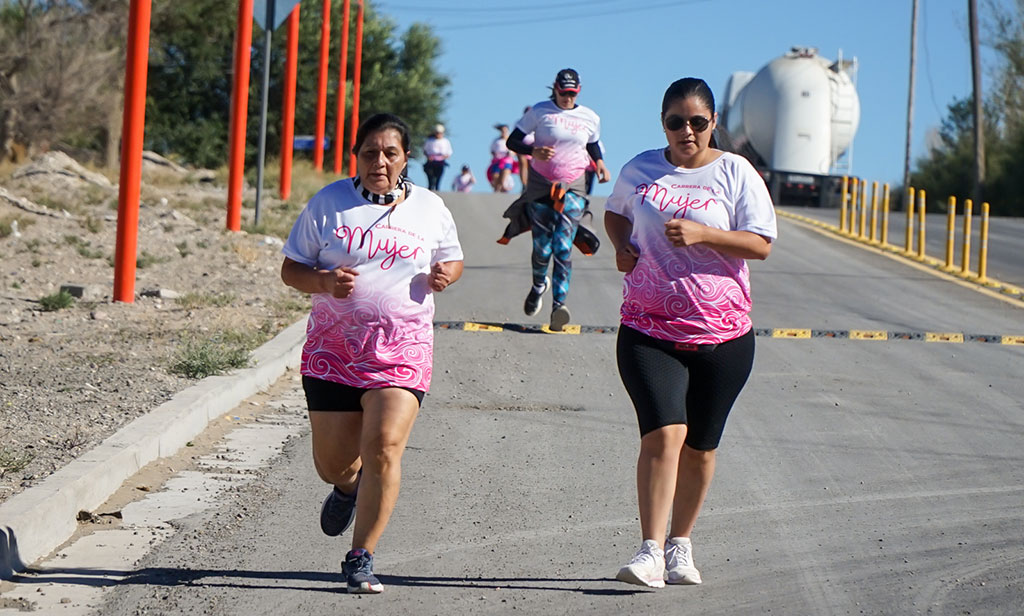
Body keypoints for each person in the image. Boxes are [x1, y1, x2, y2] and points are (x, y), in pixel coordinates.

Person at [604, 77, 777, 588]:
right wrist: (622, 246)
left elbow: (761, 244)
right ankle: (649, 551)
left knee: (700, 447)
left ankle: (681, 544)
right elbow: (615, 214)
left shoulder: (735, 172)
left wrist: (706, 234)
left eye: (697, 122)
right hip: (648, 328)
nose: (686, 131)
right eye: (675, 122)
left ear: (713, 123)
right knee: (664, 435)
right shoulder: (640, 169)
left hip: (723, 336)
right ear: (663, 123)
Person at [280, 113, 464, 594]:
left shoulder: (429, 207)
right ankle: (346, 488)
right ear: (356, 156)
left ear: (406, 158)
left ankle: (361, 556)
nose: (379, 161)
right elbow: (291, 270)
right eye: (369, 152)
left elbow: (452, 257)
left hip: (402, 348)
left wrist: (448, 274)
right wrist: (323, 282)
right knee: (334, 465)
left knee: (383, 448)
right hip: (334, 352)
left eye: (390, 153)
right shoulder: (329, 203)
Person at [504, 68, 610, 331]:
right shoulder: (540, 112)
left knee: (563, 247)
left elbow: (593, 144)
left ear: (579, 92)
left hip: (573, 187)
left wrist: (599, 163)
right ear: (555, 88)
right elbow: (512, 141)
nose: (567, 98)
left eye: (572, 94)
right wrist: (533, 150)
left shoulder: (590, 117)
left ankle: (558, 307)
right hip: (541, 186)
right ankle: (539, 284)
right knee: (542, 249)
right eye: (563, 93)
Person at [422, 123, 452, 191]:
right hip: (431, 162)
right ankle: (430, 187)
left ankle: (437, 189)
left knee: (438, 177)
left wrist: (444, 157)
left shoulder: (445, 141)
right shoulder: (430, 141)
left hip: (440, 162)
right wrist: (428, 157)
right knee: (430, 176)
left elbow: (449, 153)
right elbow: (425, 151)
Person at [487, 124, 517, 192]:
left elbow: (515, 151)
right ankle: (497, 187)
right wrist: (495, 154)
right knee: (495, 176)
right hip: (497, 160)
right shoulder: (496, 141)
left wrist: (510, 153)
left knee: (504, 173)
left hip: (507, 160)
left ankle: (503, 186)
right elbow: (492, 150)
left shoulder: (511, 140)